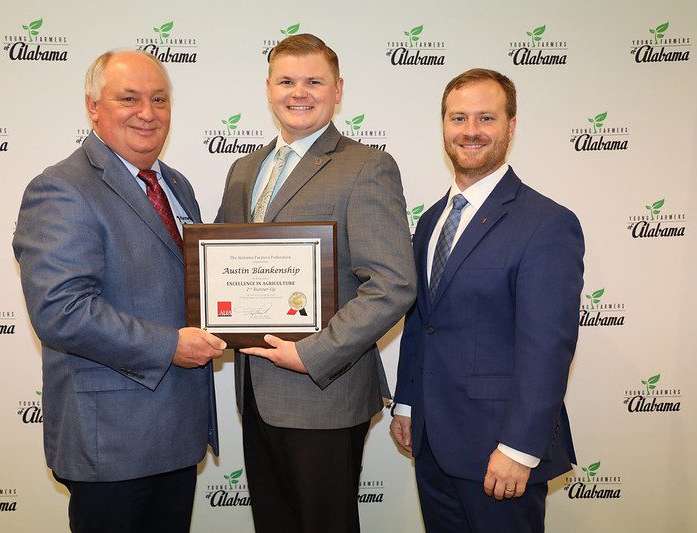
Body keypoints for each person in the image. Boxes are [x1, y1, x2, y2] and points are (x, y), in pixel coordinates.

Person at [12, 50, 226, 533]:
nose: (147, 113)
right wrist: (171, 345)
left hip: (177, 429)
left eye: (159, 99)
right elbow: (61, 311)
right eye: (128, 98)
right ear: (93, 106)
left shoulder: (176, 185)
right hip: (111, 438)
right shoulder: (61, 189)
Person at [215, 34, 416, 532]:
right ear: (268, 88)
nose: (298, 92)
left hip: (323, 392)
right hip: (256, 391)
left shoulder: (367, 166)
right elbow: (219, 263)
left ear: (338, 89)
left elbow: (392, 283)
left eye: (313, 81)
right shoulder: (244, 170)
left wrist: (313, 353)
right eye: (286, 81)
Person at [390, 68, 584, 532]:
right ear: (443, 126)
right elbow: (423, 322)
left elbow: (546, 349)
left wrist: (519, 449)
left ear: (511, 126)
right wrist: (408, 405)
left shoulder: (547, 223)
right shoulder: (432, 220)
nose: (470, 131)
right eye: (458, 118)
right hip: (433, 443)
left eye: (486, 118)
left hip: (500, 452)